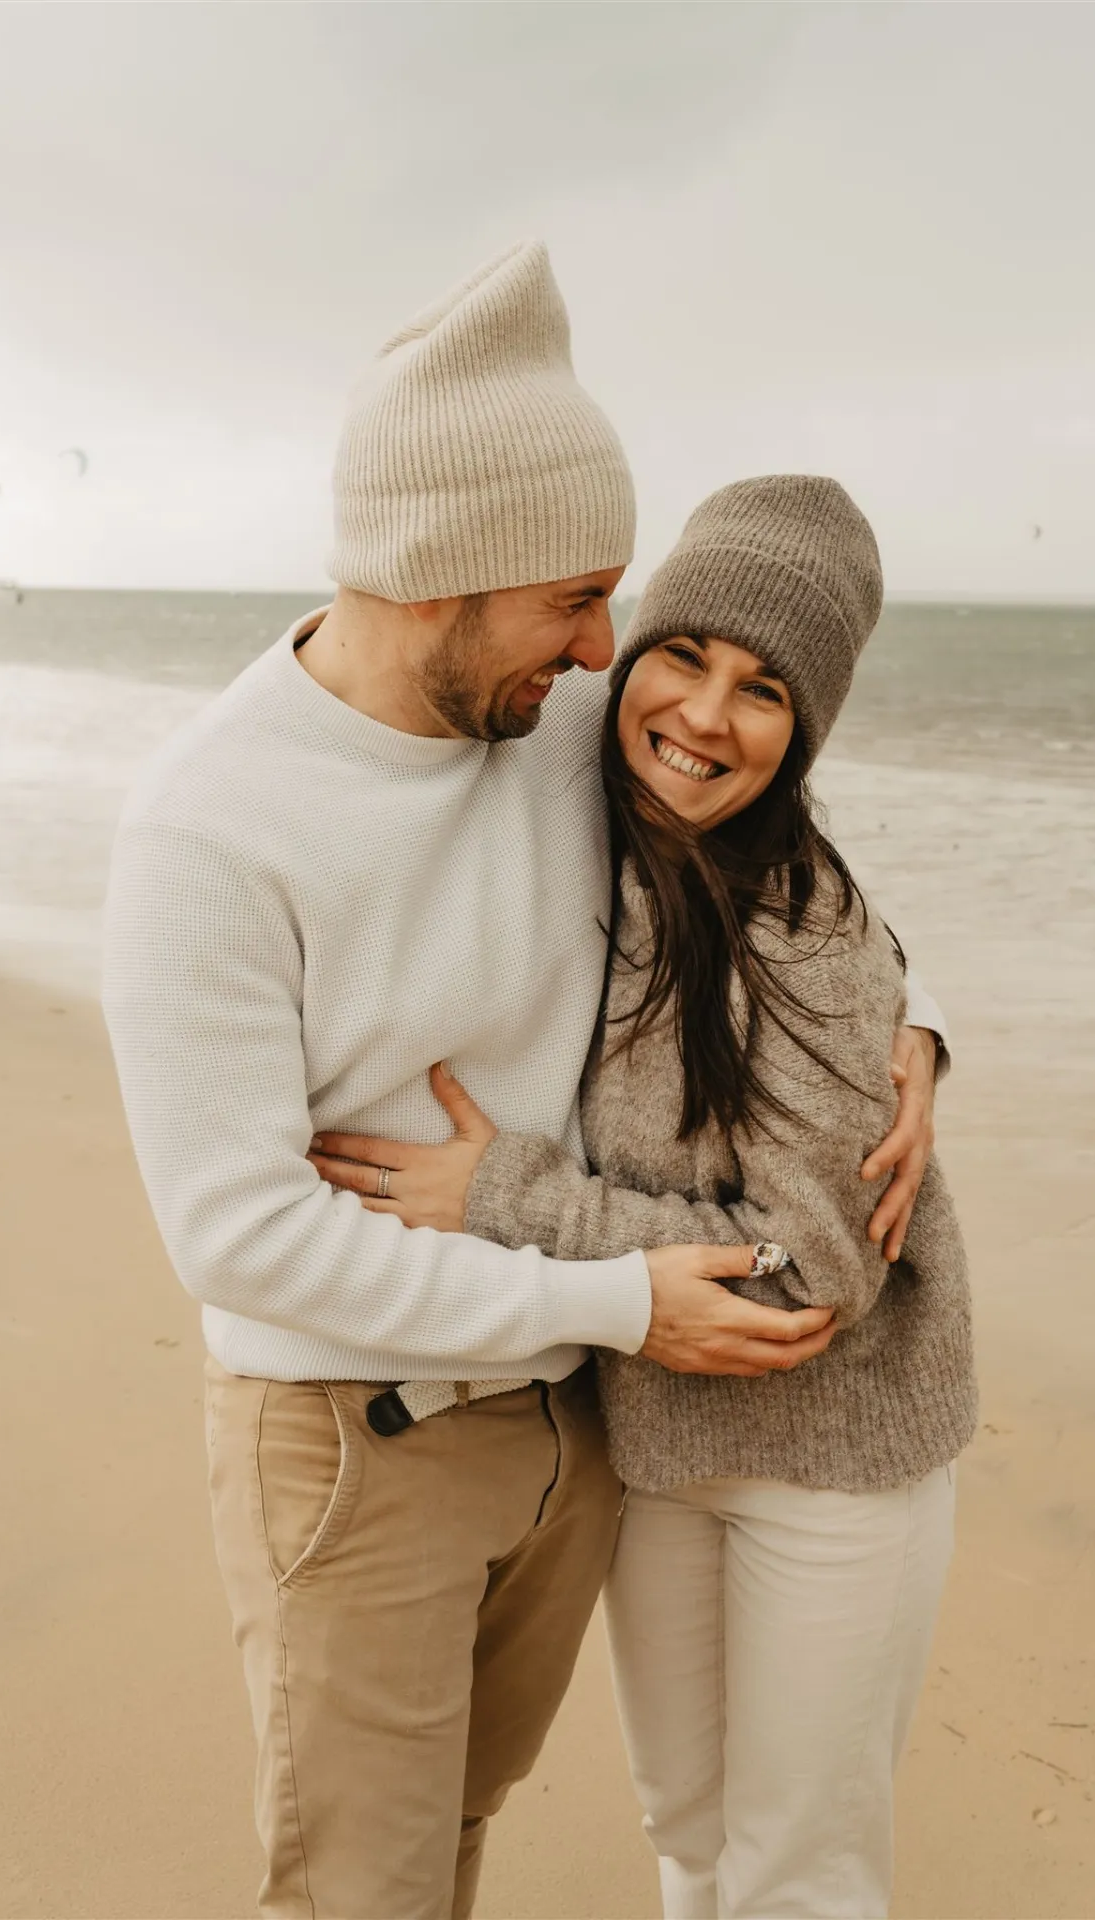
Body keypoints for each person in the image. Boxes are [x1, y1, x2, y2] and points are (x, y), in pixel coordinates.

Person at [103, 238, 945, 1920]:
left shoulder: (555, 724)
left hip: (577, 1425)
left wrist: (917, 1038)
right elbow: (242, 1242)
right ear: (444, 574)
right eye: (576, 597)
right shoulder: (206, 831)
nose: (602, 650)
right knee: (367, 1888)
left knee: (472, 1843)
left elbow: (779, 870)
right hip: (361, 1437)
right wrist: (629, 1299)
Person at [309, 476, 976, 1920]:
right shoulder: (579, 808)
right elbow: (390, 685)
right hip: (660, 1441)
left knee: (800, 1871)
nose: (705, 716)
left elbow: (806, 1278)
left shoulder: (804, 924)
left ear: (808, 732)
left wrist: (510, 1195)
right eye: (684, 652)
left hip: (833, 1455)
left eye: (767, 690)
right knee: (685, 1827)